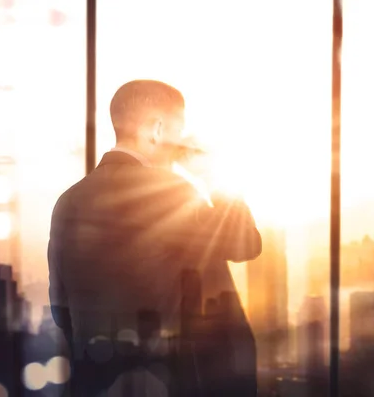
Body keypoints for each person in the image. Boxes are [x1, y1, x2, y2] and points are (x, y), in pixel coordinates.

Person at [48, 80, 262, 396]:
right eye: (179, 131)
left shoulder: (67, 202)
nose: (182, 144)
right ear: (157, 129)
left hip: (93, 383)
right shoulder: (168, 192)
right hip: (162, 382)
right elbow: (245, 243)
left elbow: (60, 310)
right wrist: (211, 174)